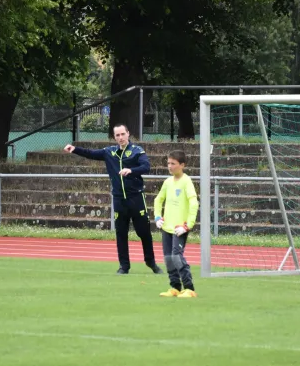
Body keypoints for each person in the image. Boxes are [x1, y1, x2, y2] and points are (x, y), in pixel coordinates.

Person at [63, 123, 163, 275]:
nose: (121, 137)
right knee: (121, 233)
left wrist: (131, 170)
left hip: (136, 198)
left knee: (144, 232)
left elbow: (146, 167)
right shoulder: (109, 152)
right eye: (117, 135)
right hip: (119, 199)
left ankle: (151, 262)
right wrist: (75, 149)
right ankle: (124, 266)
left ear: (128, 133)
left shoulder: (137, 151)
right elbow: (91, 153)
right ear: (114, 137)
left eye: (123, 134)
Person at [154, 150, 199, 298]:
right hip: (167, 227)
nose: (170, 166)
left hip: (180, 228)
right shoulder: (167, 182)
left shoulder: (187, 181)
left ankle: (189, 288)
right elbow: (158, 199)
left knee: (176, 257)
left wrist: (188, 225)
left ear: (182, 165)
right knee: (168, 258)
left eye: (173, 163)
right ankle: (174, 287)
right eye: (168, 163)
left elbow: (194, 203)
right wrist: (157, 217)